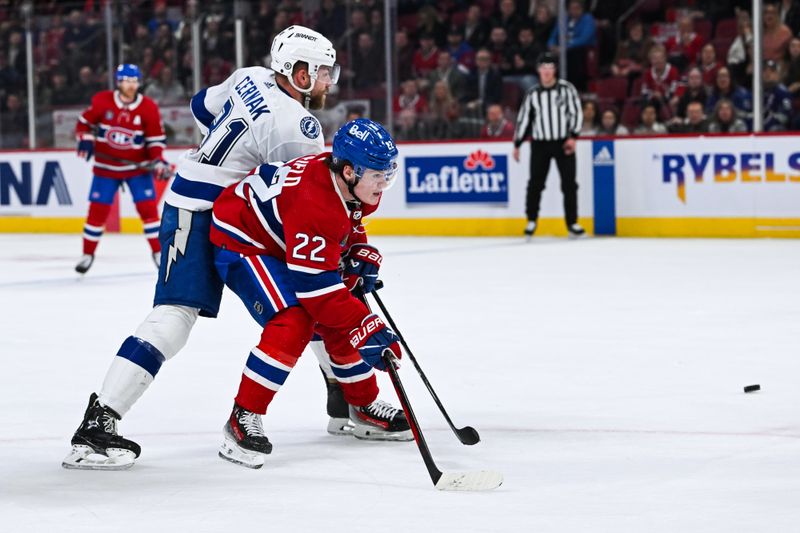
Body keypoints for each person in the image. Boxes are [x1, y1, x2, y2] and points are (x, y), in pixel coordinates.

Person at [62, 26, 398, 470]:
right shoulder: (298, 126)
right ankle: (98, 422)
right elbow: (310, 199)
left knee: (301, 305)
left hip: (215, 205)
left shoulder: (249, 76)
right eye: (321, 72)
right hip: (213, 215)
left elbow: (202, 106)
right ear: (298, 73)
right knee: (176, 317)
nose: (328, 81)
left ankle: (345, 395)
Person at [210, 119, 409, 467]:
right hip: (243, 240)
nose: (385, 182)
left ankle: (361, 406)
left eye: (388, 172)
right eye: (378, 174)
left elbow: (347, 222)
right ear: (349, 171)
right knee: (295, 320)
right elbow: (316, 292)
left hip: (284, 237)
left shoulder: (346, 185)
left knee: (343, 309)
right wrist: (367, 325)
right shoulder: (315, 202)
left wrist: (357, 247)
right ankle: (241, 419)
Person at [74, 64, 171, 274]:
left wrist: (158, 159)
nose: (131, 85)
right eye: (127, 81)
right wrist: (86, 138)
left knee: (149, 211)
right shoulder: (102, 101)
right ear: (118, 82)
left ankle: (158, 252)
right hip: (105, 168)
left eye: (134, 81)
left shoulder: (148, 107)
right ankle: (87, 254)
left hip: (137, 169)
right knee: (97, 212)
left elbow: (155, 139)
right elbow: (84, 123)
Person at [513, 52, 584, 240]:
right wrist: (517, 143)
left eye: (550, 67)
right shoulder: (532, 94)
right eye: (543, 67)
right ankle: (531, 220)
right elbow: (524, 119)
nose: (546, 71)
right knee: (535, 183)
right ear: (538, 70)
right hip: (540, 144)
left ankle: (572, 223)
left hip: (563, 143)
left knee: (569, 184)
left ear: (555, 70)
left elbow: (576, 113)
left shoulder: (567, 90)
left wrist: (573, 137)